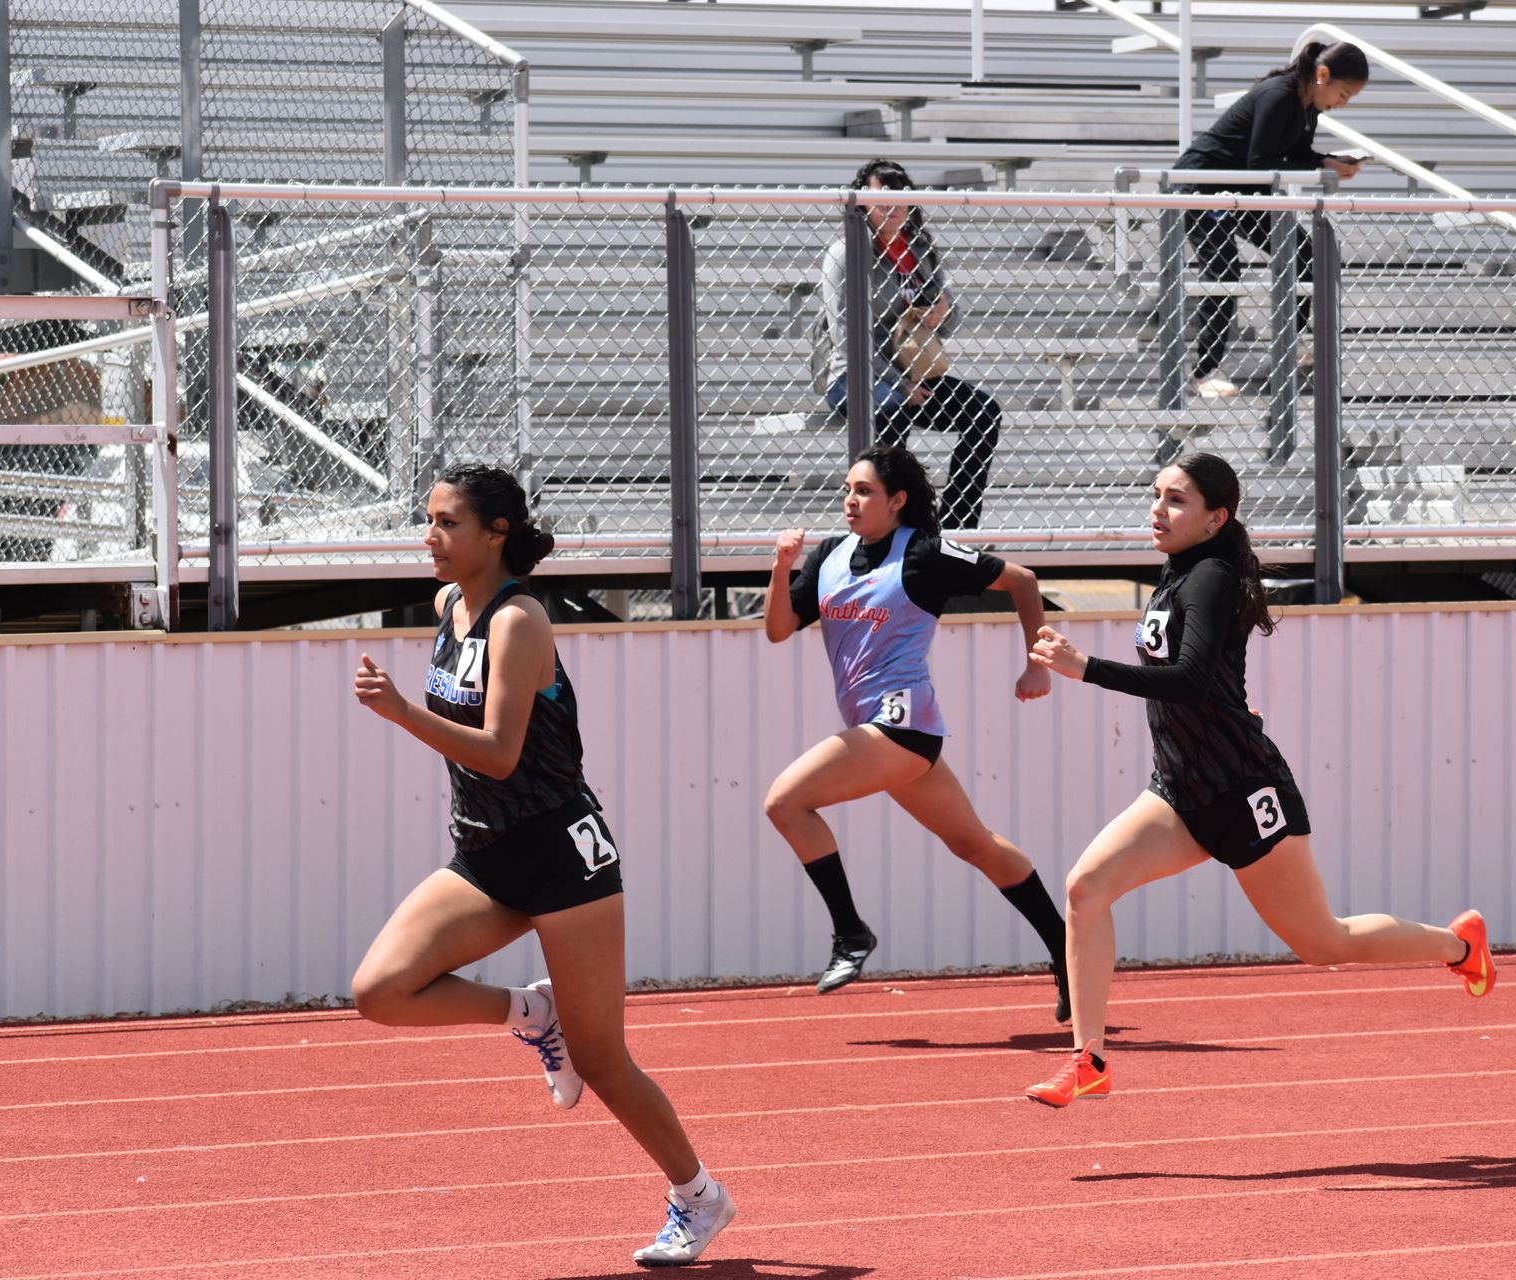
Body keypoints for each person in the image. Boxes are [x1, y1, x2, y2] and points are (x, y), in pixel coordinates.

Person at [1021, 452, 1495, 1108]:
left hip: (1244, 793)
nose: (1158, 510)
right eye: (1156, 495)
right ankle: (1091, 1058)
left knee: (1323, 943)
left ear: (1217, 517)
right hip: (1181, 790)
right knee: (1085, 887)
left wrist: (1085, 668)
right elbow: (1211, 681)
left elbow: (1189, 681)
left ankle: (1457, 943)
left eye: (1177, 500)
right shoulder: (1178, 571)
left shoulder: (1208, 576)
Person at [350, 464, 735, 1267]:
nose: (431, 537)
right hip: (487, 851)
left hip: (563, 854)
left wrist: (400, 712)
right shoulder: (448, 605)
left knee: (605, 1060)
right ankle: (532, 1015)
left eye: (448, 523)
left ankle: (699, 1197)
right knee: (380, 991)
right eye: (429, 520)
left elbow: (498, 754)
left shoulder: (519, 620)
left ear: (497, 533)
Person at [764, 444, 1071, 1018]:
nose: (850, 501)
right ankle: (1069, 953)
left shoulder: (926, 553)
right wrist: (782, 568)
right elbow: (780, 629)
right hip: (881, 733)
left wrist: (1037, 662)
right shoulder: (831, 555)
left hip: (901, 725)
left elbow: (1024, 581)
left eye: (864, 492)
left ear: (898, 501)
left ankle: (850, 933)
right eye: (847, 490)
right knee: (973, 844)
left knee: (785, 802)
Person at [1173, 40, 1369, 399]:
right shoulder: (1279, 95)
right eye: (1344, 93)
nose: (1344, 103)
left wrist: (1328, 160)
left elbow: (1292, 155)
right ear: (1322, 75)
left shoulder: (1309, 107)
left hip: (1244, 190)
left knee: (1306, 255)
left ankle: (1286, 346)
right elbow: (1261, 160)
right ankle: (1202, 374)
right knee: (1223, 271)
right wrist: (1319, 164)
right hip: (1205, 185)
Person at [819, 158, 1005, 528]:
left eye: (900, 198)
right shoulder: (846, 252)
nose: (891, 207)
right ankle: (896, 527)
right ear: (861, 204)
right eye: (880, 199)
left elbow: (949, 318)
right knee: (894, 411)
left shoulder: (918, 249)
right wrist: (895, 383)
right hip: (857, 375)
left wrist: (942, 313)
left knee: (985, 413)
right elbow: (846, 337)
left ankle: (955, 526)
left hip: (914, 372)